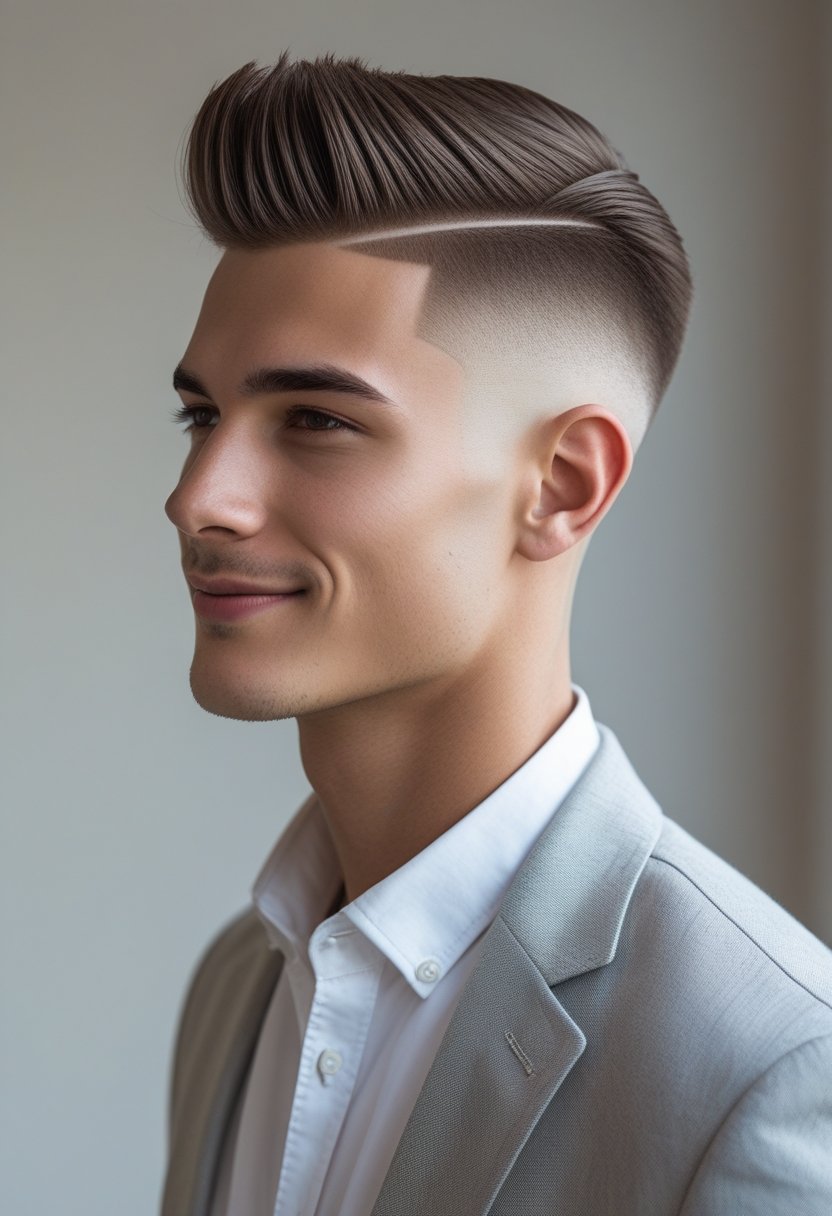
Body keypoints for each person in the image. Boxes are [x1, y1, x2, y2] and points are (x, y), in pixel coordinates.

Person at [159, 51, 832, 1216]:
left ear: (563, 485)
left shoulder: (769, 1068)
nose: (200, 494)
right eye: (202, 414)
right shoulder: (238, 985)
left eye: (314, 417)